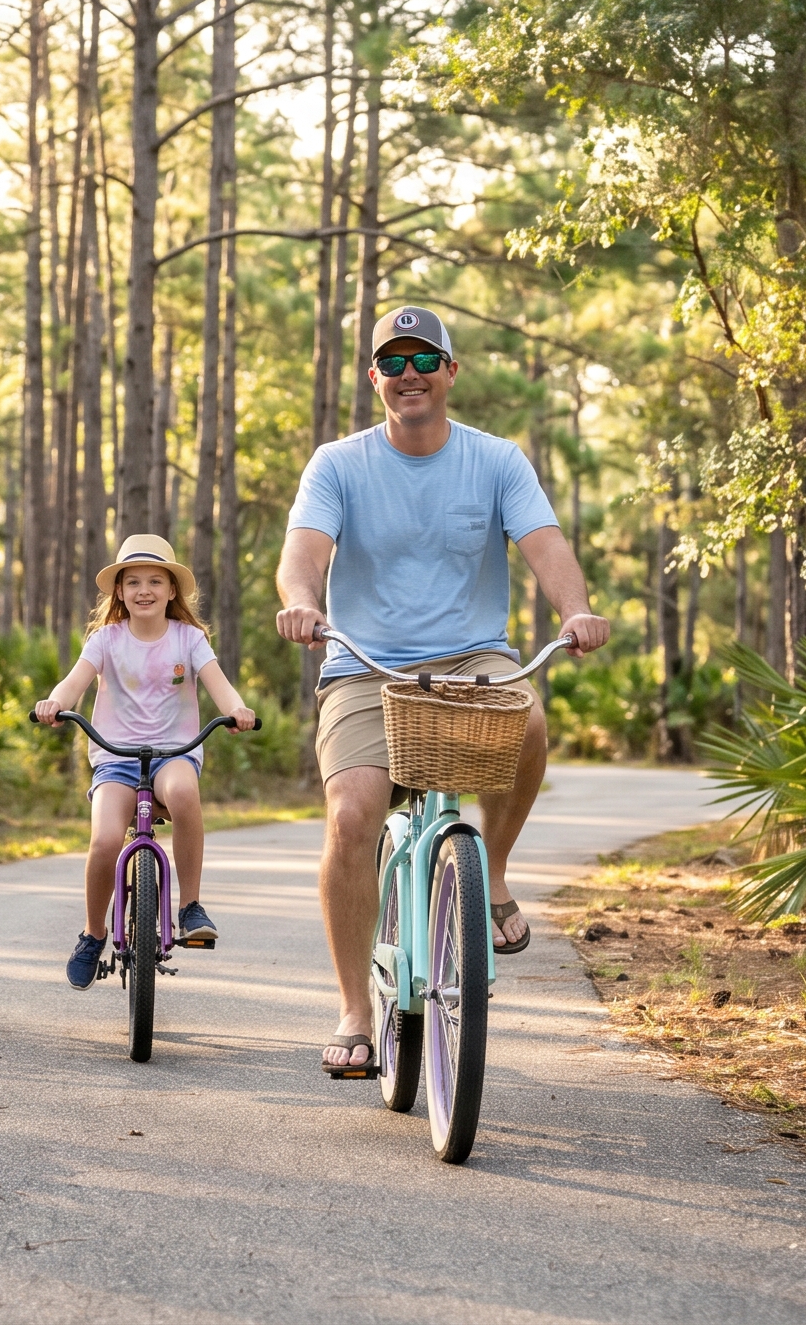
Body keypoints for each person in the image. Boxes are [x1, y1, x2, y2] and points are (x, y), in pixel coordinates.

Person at [271, 307, 610, 1077]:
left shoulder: (495, 461)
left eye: (424, 358)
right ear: (375, 380)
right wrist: (303, 602)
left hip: (472, 657)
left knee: (526, 721)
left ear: (451, 372)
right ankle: (357, 1010)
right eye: (392, 362)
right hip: (364, 664)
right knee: (354, 814)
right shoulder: (339, 463)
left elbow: (544, 545)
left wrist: (576, 611)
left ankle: (489, 871)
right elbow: (304, 554)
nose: (409, 373)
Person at [33, 534, 258, 991]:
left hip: (173, 752)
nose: (144, 590)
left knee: (182, 793)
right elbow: (74, 682)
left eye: (155, 580)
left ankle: (190, 905)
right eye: (132, 581)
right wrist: (54, 703)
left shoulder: (189, 639)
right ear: (119, 591)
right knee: (105, 841)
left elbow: (219, 684)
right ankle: (94, 932)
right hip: (115, 757)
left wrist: (237, 710)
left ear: (172, 590)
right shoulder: (106, 640)